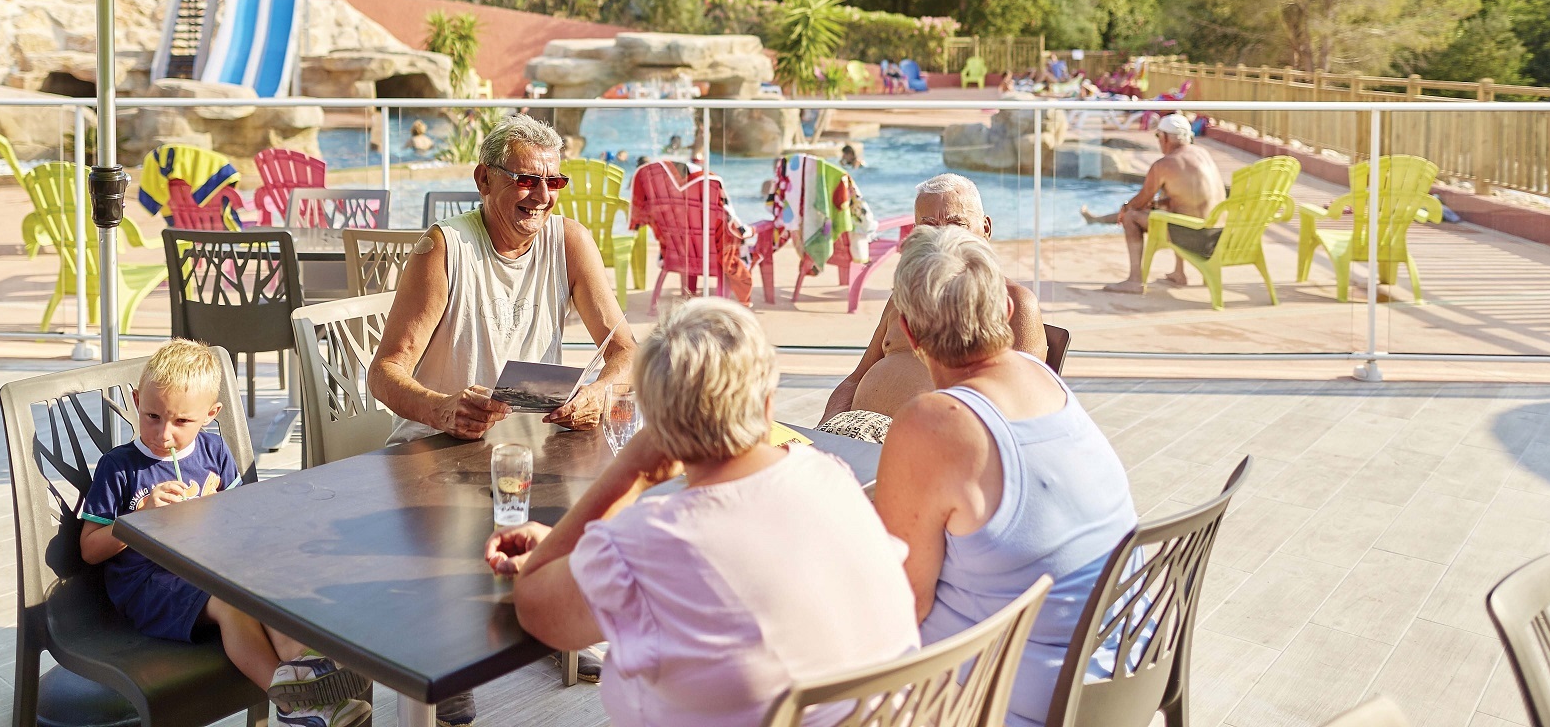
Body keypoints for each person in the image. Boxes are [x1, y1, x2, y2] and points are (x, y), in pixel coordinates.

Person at [483, 300, 919, 727]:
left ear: (658, 426)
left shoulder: (656, 538)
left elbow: (535, 604)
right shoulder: (830, 477)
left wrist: (631, 469)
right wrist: (590, 555)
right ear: (768, 404)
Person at [873, 228, 1136, 727]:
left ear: (908, 333)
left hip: (1021, 702)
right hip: (1119, 671)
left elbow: (903, 600)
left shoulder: (936, 423)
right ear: (1008, 312)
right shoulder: (1044, 380)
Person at [81, 340, 369, 727]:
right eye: (152, 416)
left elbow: (243, 524)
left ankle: (308, 666)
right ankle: (293, 705)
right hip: (147, 585)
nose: (163, 433)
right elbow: (90, 550)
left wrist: (213, 511)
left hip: (210, 566)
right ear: (136, 400)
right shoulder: (119, 468)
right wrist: (141, 518)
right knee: (232, 601)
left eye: (181, 421)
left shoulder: (214, 452)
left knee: (267, 582)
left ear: (210, 414)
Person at [372, 115, 635, 445]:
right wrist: (440, 409)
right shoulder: (445, 248)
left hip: (531, 448)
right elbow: (384, 371)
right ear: (484, 180)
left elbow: (626, 351)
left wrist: (599, 393)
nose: (542, 197)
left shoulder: (570, 243)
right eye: (526, 180)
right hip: (436, 446)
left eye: (553, 183)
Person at [819, 174, 1046, 442]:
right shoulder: (904, 298)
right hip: (855, 436)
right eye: (928, 226)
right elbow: (855, 380)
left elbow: (1020, 407)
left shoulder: (1016, 303)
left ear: (986, 229)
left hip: (929, 444)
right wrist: (823, 435)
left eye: (956, 224)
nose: (943, 236)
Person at [1081, 111, 1224, 293]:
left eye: (1158, 136)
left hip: (1194, 238)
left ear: (1164, 137)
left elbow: (1138, 203)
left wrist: (1125, 208)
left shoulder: (1165, 164)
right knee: (1170, 203)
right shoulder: (1203, 154)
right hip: (1217, 235)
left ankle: (1134, 280)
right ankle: (1179, 272)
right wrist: (1159, 203)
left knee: (1131, 217)